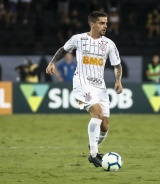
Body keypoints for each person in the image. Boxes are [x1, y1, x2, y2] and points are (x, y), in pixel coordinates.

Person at [46, 11, 123, 168]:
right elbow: (63, 49)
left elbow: (117, 65)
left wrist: (118, 81)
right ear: (92, 24)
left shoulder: (109, 44)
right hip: (82, 83)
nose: (105, 26)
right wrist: (52, 62)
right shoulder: (79, 39)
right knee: (98, 113)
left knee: (105, 125)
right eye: (102, 23)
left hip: (100, 86)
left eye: (106, 23)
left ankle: (93, 145)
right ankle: (94, 154)